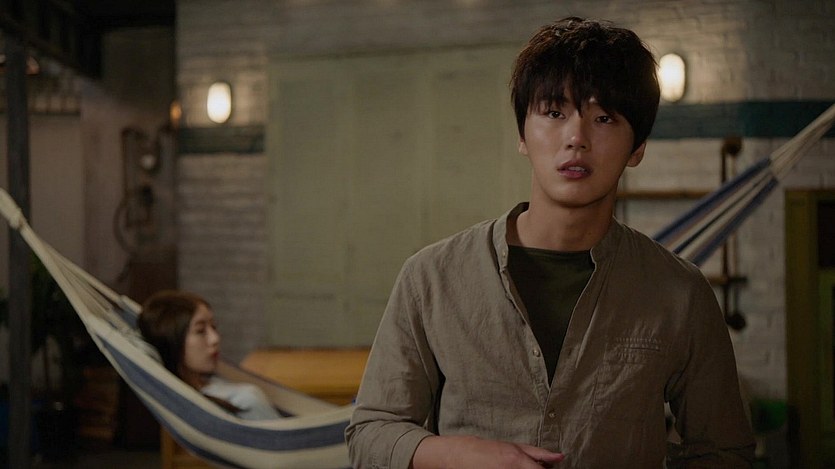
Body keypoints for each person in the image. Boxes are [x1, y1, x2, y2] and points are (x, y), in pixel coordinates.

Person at [345, 16, 755, 468]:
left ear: (637, 148)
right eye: (555, 113)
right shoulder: (431, 277)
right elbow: (370, 433)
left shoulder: (680, 292)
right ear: (523, 135)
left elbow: (724, 451)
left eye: (603, 118)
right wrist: (459, 454)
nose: (576, 139)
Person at [137, 289, 280, 421]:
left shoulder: (203, 389)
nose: (215, 338)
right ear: (171, 341)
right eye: (200, 331)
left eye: (213, 326)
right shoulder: (246, 399)